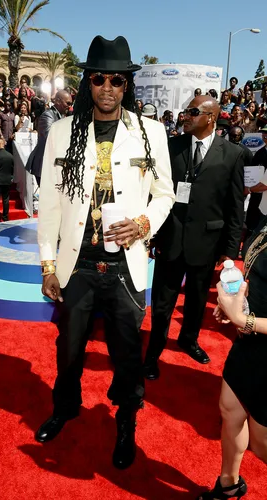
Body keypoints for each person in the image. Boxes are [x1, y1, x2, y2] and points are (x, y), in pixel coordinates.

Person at [36, 35, 175, 469]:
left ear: (127, 84)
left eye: (117, 79)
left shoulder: (150, 132)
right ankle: (65, 407)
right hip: (76, 264)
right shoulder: (62, 132)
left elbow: (166, 193)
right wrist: (47, 264)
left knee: (128, 356)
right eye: (100, 79)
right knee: (69, 348)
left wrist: (143, 224)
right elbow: (51, 203)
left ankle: (126, 422)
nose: (108, 87)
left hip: (125, 267)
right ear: (88, 83)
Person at [143, 95, 245, 379]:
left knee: (197, 299)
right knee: (163, 302)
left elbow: (234, 205)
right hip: (171, 239)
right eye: (185, 112)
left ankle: (189, 339)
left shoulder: (232, 154)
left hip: (207, 242)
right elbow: (155, 193)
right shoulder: (171, 146)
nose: (184, 117)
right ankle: (154, 350)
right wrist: (152, 232)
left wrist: (230, 247)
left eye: (192, 112)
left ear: (211, 117)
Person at [197, 216, 267, 500]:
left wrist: (243, 318)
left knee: (262, 446)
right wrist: (239, 299)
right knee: (230, 409)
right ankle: (229, 484)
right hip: (249, 343)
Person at [26, 90, 72, 186]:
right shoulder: (48, 115)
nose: (69, 106)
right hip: (44, 166)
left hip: (54, 165)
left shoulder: (61, 116)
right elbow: (49, 137)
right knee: (47, 199)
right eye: (67, 103)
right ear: (58, 101)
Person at [245, 125, 267, 231]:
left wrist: (248, 189)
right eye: (264, 133)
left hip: (263, 193)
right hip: (256, 194)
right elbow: (251, 170)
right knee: (252, 224)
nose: (265, 136)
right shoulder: (260, 152)